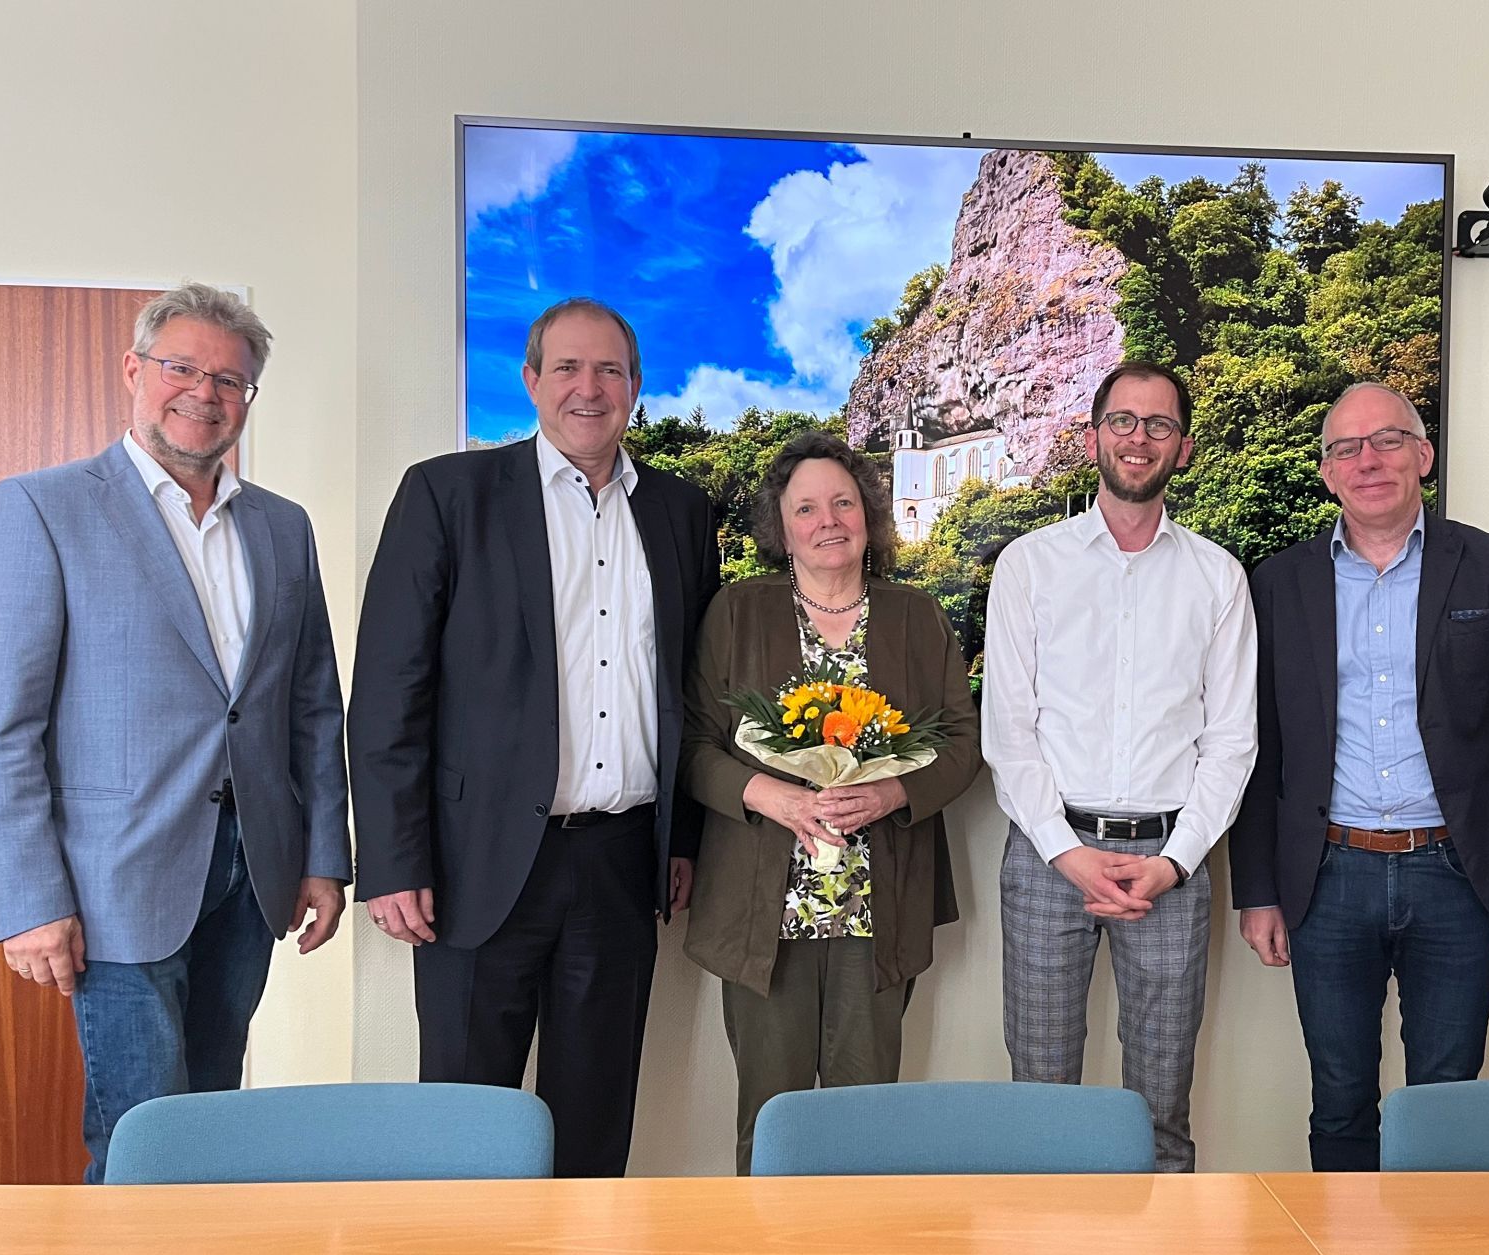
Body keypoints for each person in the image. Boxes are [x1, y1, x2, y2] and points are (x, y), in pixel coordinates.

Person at [0, 282, 350, 1182]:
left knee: (211, 1129)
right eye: (183, 368)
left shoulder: (282, 528)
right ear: (135, 369)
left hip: (255, 873)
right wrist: (27, 901)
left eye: (231, 380)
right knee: (142, 1138)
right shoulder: (41, 508)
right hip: (111, 886)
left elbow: (311, 706)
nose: (205, 393)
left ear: (248, 398)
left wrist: (325, 855)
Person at [349, 297, 719, 1178]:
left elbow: (692, 696)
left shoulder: (680, 513)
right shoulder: (447, 494)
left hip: (623, 865)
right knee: (464, 1127)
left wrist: (685, 839)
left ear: (636, 387)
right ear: (531, 381)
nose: (588, 389)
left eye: (610, 371)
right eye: (567, 368)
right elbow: (389, 693)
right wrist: (395, 861)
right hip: (473, 865)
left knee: (593, 1129)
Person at [1229, 381, 1489, 1171]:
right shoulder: (1277, 584)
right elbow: (1256, 747)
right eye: (1345, 448)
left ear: (1423, 455)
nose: (1367, 460)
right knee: (1339, 1097)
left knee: (1444, 1104)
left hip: (1458, 875)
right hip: (1327, 875)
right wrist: (1258, 891)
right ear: (1326, 472)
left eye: (1386, 441)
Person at [981, 360, 1257, 1172]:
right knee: (1041, 1103)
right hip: (1046, 858)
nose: (1140, 439)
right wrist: (1067, 852)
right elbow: (1009, 732)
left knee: (1162, 1112)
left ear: (1184, 446)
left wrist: (1173, 864)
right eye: (1125, 422)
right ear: (1095, 435)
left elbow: (1231, 742)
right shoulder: (1030, 564)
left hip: (1173, 861)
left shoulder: (1217, 576)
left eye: (1160, 425)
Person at [680, 431, 981, 1174]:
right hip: (763, 918)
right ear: (780, 527)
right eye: (806, 507)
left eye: (843, 502)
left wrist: (893, 792)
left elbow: (964, 743)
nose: (828, 520)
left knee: (864, 1128)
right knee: (773, 1123)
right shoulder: (736, 612)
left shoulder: (916, 617)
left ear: (868, 515)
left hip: (878, 909)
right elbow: (691, 746)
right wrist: (766, 794)